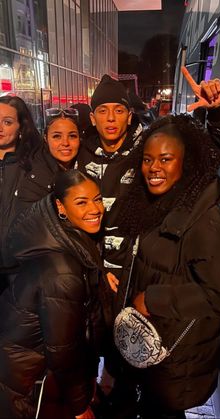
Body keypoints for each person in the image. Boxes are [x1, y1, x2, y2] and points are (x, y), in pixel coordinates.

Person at [113, 114, 220, 419]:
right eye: (148, 159)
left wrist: (153, 299)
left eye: (166, 159)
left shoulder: (204, 220)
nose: (154, 168)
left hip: (175, 360)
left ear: (186, 163)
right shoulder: (153, 203)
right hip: (149, 350)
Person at [78, 70, 220, 281]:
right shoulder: (79, 155)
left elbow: (208, 157)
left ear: (129, 115)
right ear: (93, 118)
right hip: (93, 271)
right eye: (103, 111)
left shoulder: (149, 147)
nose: (111, 118)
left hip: (135, 272)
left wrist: (217, 113)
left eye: (119, 110)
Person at [0, 169, 109, 419]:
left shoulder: (61, 239)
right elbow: (63, 352)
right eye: (81, 202)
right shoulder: (62, 271)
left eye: (98, 199)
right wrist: (80, 407)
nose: (95, 209)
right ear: (60, 206)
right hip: (27, 385)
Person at [0, 95, 42, 293]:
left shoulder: (34, 164)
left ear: (21, 128)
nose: (0, 128)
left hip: (21, 268)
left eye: (7, 122)